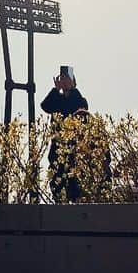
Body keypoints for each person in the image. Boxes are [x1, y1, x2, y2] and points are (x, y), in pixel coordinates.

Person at [41, 70, 89, 203]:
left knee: (74, 184)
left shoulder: (79, 99)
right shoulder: (58, 100)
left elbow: (82, 110)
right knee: (57, 182)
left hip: (75, 148)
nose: (65, 81)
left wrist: (71, 89)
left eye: (67, 79)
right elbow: (45, 106)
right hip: (57, 147)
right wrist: (56, 90)